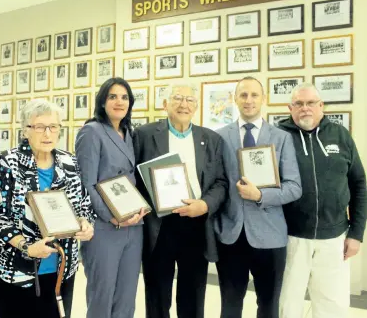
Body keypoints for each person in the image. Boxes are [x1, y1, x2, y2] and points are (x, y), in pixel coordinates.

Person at [0, 99, 96, 318]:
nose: (47, 134)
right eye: (39, 127)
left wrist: (85, 224)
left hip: (61, 270)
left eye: (53, 127)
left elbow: (84, 205)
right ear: (25, 130)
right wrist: (27, 247)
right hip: (17, 271)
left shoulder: (70, 162)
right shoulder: (8, 163)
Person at [133, 84, 228, 318]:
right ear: (165, 104)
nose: (184, 104)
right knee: (156, 294)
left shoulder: (212, 139)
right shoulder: (144, 135)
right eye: (177, 98)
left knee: (193, 295)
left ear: (196, 106)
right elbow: (133, 178)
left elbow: (220, 182)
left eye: (189, 100)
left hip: (196, 223)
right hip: (159, 225)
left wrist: (204, 205)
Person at [214, 76, 302, 318]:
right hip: (231, 235)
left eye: (254, 95)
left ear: (264, 99)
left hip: (270, 236)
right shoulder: (219, 137)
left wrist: (260, 194)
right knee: (230, 306)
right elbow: (214, 184)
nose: (249, 100)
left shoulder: (281, 138)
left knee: (268, 305)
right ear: (235, 99)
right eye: (243, 95)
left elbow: (294, 187)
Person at [278, 83, 366, 318]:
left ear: (321, 106)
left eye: (310, 103)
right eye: (298, 104)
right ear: (290, 107)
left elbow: (359, 184)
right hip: (290, 239)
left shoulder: (340, 135)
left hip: (334, 239)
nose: (305, 108)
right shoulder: (278, 137)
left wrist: (356, 233)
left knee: (332, 306)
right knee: (287, 306)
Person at [75, 77, 147, 318]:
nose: (119, 102)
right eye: (113, 96)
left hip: (134, 226)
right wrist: (112, 218)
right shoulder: (91, 132)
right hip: (105, 227)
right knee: (102, 297)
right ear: (102, 101)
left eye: (124, 97)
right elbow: (86, 184)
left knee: (126, 297)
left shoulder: (130, 133)